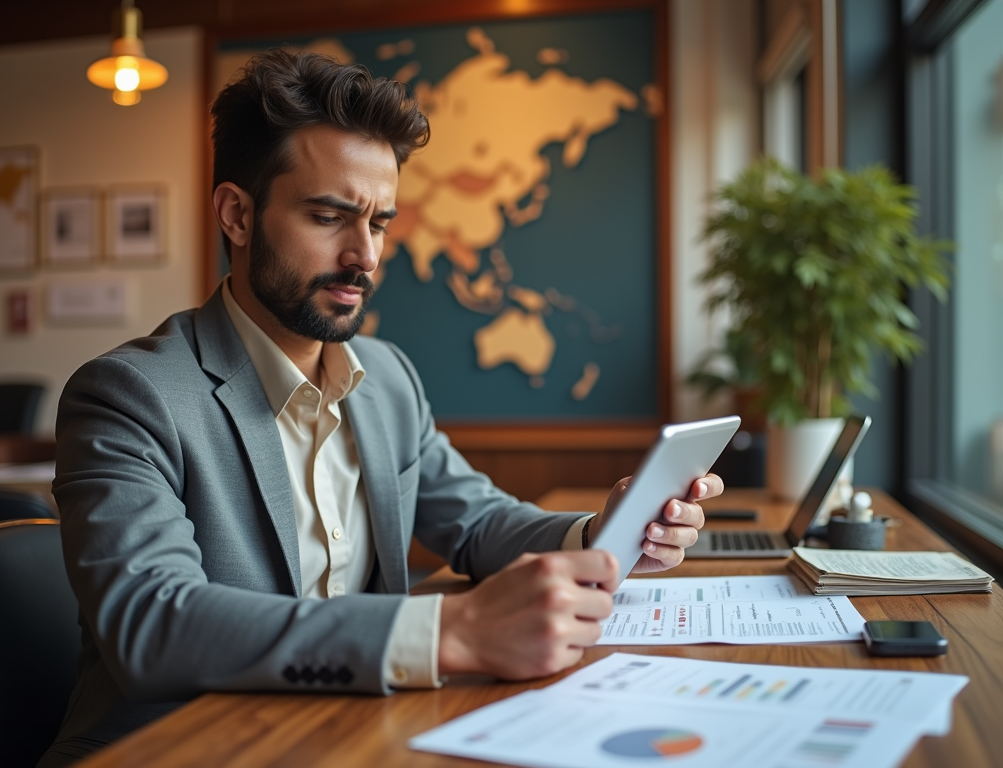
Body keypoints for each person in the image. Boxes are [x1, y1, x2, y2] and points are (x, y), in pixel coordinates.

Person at [39, 50, 723, 767]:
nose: (365, 256)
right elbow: (152, 623)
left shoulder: (387, 378)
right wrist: (445, 633)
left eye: (380, 223)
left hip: (354, 737)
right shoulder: (127, 396)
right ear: (237, 215)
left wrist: (598, 533)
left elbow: (478, 522)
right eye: (330, 217)